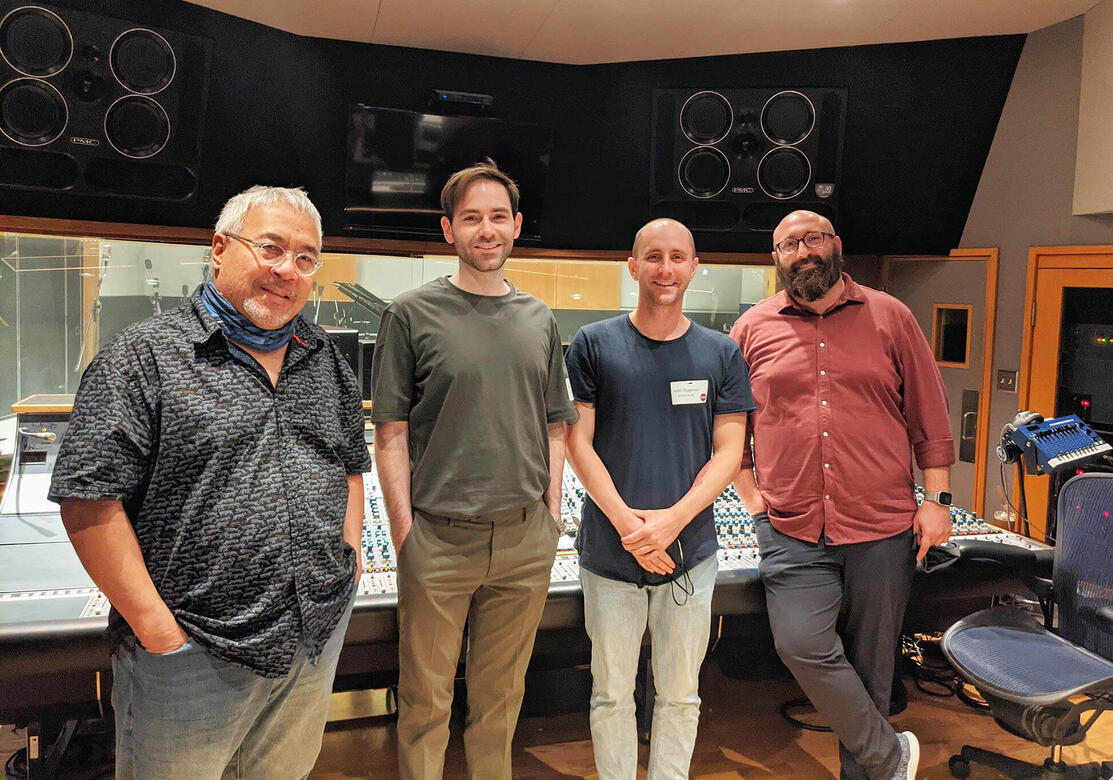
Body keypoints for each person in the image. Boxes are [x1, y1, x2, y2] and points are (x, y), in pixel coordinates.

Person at [48, 185, 370, 779]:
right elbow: (88, 496)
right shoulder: (143, 357)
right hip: (191, 652)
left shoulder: (324, 359)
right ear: (219, 248)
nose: (286, 270)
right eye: (270, 247)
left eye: (305, 258)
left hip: (312, 638)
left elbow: (350, 464)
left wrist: (344, 566)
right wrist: (159, 632)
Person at [371, 159, 578, 779]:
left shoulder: (540, 318)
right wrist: (407, 536)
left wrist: (550, 517)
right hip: (437, 541)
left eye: (496, 217)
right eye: (470, 219)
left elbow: (555, 427)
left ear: (515, 226)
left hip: (524, 541)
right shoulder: (409, 313)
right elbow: (391, 433)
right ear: (448, 230)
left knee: (501, 701)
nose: (485, 230)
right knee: (425, 704)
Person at [729, 210, 954, 780]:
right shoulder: (751, 328)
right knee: (801, 645)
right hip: (789, 526)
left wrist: (938, 500)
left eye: (813, 239)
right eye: (788, 244)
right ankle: (890, 756)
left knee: (871, 668)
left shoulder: (891, 316)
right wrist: (751, 498)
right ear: (776, 259)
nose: (802, 251)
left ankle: (871, 773)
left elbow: (928, 413)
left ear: (836, 246)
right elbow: (729, 427)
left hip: (881, 526)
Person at [565, 218, 753, 779]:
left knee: (680, 695)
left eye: (677, 257)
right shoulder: (593, 345)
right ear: (633, 266)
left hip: (689, 553)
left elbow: (728, 450)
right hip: (609, 553)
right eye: (653, 257)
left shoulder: (721, 353)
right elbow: (579, 444)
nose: (665, 269)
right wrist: (631, 528)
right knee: (611, 696)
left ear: (695, 267)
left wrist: (672, 522)